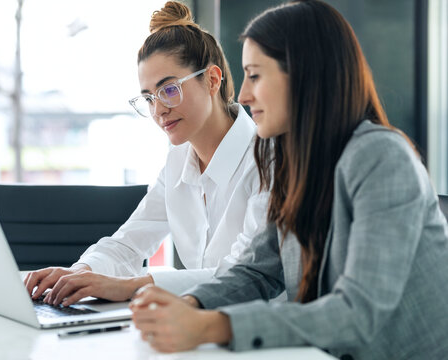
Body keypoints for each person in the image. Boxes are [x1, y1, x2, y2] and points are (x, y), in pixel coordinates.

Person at [130, 1, 448, 358]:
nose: (245, 95)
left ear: (304, 75)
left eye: (255, 75)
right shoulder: (293, 164)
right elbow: (256, 272)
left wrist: (214, 325)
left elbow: (358, 313)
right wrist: (189, 304)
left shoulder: (382, 159)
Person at [24, 1, 267, 307]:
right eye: (149, 98)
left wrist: (133, 286)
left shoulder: (266, 158)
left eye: (169, 89)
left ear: (212, 80)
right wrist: (79, 273)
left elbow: (244, 276)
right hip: (198, 330)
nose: (159, 110)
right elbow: (128, 244)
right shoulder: (178, 163)